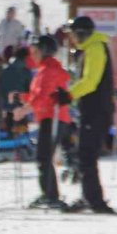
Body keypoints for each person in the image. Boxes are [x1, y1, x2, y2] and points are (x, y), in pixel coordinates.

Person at [60, 16, 115, 213]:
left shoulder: (95, 49)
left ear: (82, 33)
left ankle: (95, 201)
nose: (72, 39)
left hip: (96, 111)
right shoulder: (89, 49)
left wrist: (69, 95)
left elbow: (91, 81)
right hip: (92, 109)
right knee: (84, 154)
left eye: (73, 34)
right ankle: (89, 197)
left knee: (86, 155)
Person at [19, 36, 70, 208]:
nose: (32, 55)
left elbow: (43, 97)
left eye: (35, 51)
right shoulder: (44, 69)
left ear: (44, 51)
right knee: (44, 157)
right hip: (48, 117)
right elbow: (38, 96)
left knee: (44, 157)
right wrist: (21, 98)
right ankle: (49, 194)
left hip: (52, 118)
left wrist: (24, 109)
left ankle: (51, 195)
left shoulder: (49, 70)